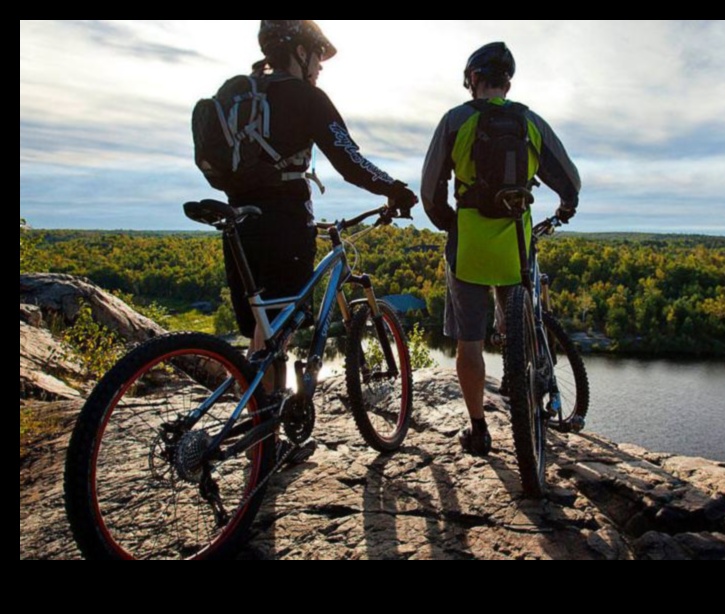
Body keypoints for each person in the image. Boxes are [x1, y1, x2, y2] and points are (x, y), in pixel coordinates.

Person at [222, 20, 418, 461]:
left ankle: (261, 441)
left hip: (238, 220)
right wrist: (394, 189)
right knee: (278, 335)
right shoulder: (305, 97)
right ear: (299, 51)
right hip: (283, 222)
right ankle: (264, 452)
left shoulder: (240, 93)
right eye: (317, 55)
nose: (320, 67)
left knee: (262, 334)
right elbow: (349, 159)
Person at [421, 42, 581, 456]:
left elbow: (430, 190)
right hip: (516, 242)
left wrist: (451, 222)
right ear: (507, 83)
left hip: (469, 245)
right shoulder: (530, 122)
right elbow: (569, 179)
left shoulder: (455, 120)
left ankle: (478, 430)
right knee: (521, 325)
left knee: (469, 342)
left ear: (472, 79)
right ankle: (526, 398)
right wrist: (566, 206)